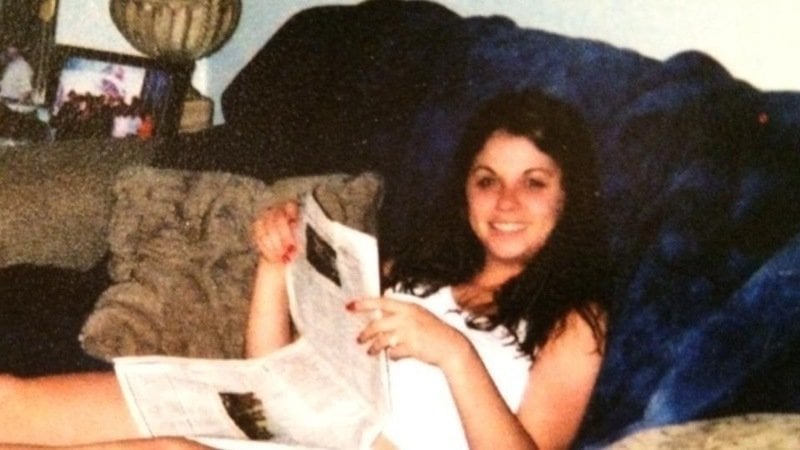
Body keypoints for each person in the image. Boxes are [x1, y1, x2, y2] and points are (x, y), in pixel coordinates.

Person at [0, 88, 611, 449]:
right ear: (465, 191)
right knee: (14, 401)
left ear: (569, 196)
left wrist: (454, 353)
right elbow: (278, 377)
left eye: (534, 183)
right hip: (289, 432)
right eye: (488, 180)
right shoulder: (410, 273)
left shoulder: (574, 324)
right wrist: (276, 267)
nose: (506, 202)